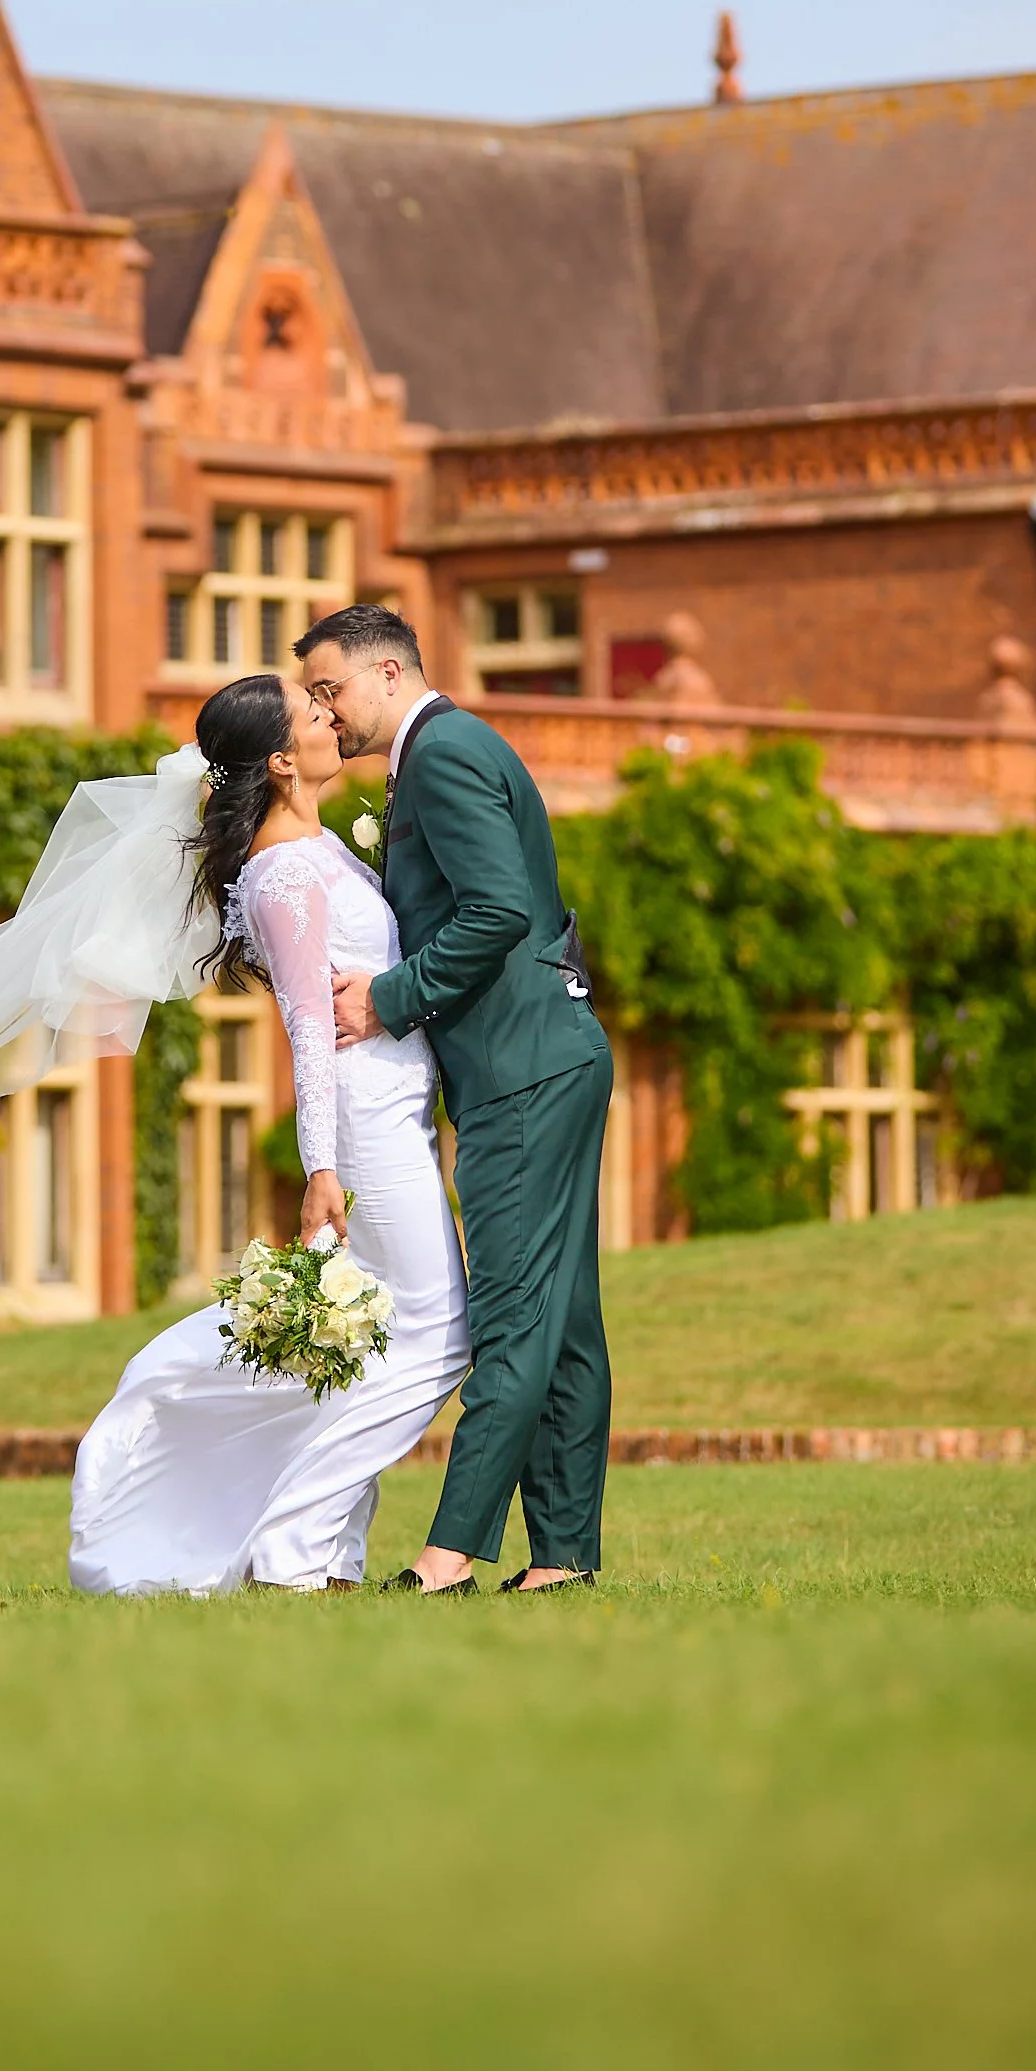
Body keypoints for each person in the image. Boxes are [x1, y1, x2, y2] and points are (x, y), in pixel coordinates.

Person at [68, 673, 470, 1595]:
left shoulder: (318, 848)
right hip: (363, 1122)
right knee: (442, 1334)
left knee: (370, 1345)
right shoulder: (285, 872)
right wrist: (320, 1168)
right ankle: (293, 1546)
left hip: (397, 1109)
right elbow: (304, 1027)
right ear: (284, 760)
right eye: (313, 711)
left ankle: (332, 1558)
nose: (333, 715)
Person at [296, 605, 613, 1595]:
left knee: (515, 1317)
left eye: (328, 689)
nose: (323, 712)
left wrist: (386, 1001)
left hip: (521, 1070)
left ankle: (446, 1559)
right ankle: (559, 1560)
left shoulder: (441, 754)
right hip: (534, 1060)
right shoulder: (437, 753)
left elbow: (498, 912)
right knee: (559, 1322)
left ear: (386, 674)